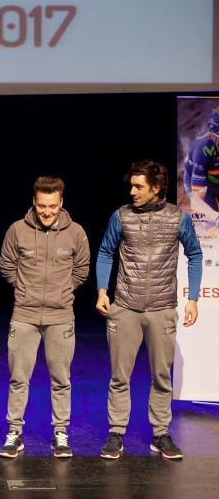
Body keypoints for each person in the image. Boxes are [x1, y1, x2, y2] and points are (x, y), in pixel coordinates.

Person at [96, 160, 202, 460]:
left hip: (162, 308)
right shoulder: (121, 216)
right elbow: (106, 251)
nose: (132, 191)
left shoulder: (177, 218)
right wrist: (102, 290)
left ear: (156, 188)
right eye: (131, 185)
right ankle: (116, 432)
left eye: (138, 186)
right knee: (119, 375)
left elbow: (194, 253)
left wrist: (192, 297)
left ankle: (161, 433)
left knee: (161, 376)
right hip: (125, 307)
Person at [0, 176, 90, 458]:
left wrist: (61, 293)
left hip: (61, 317)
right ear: (34, 203)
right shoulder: (17, 230)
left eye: (52, 206)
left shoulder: (76, 233)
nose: (47, 212)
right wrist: (25, 290)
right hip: (24, 315)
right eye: (41, 206)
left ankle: (60, 432)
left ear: (61, 202)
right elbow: (6, 266)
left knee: (61, 378)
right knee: (18, 378)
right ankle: (15, 432)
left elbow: (81, 269)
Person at [183, 108, 219, 221]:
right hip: (200, 180)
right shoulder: (203, 148)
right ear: (215, 135)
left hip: (214, 174)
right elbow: (196, 202)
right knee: (211, 224)